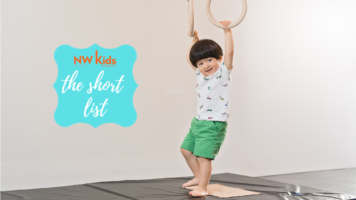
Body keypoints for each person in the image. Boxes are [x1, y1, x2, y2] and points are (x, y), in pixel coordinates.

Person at [180, 20, 234, 197]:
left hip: (214, 123)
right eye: (201, 63)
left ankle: (203, 187)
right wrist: (195, 38)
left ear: (219, 58)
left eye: (210, 60)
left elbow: (230, 53)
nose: (206, 66)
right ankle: (198, 177)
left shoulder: (223, 72)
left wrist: (227, 31)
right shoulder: (199, 73)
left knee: (204, 157)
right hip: (199, 121)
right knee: (186, 150)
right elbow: (190, 58)